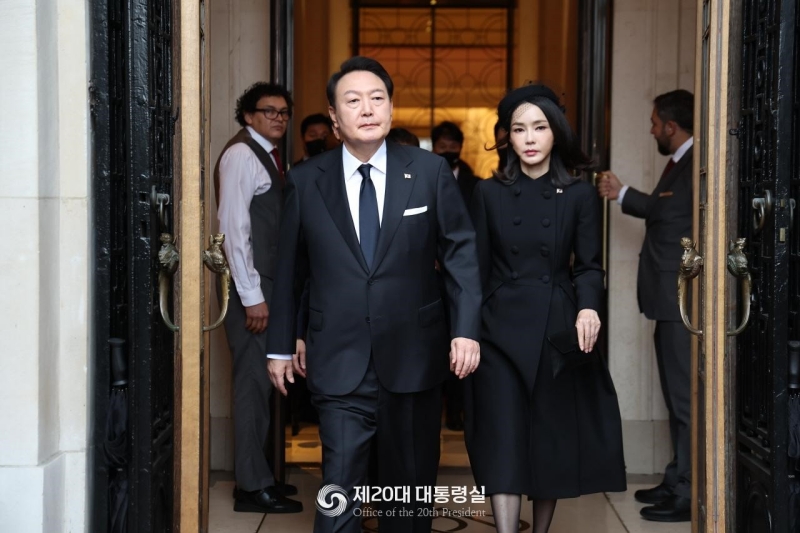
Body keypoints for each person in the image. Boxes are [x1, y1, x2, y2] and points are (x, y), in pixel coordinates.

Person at [266, 56, 482, 533]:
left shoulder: (428, 172)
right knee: (339, 495)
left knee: (406, 498)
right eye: (353, 100)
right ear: (335, 117)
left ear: (390, 107)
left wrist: (466, 331)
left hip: (414, 357)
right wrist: (282, 343)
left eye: (377, 98)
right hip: (338, 358)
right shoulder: (306, 179)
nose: (367, 108)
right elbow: (291, 270)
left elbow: (461, 256)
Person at [465, 84, 626, 533]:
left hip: (556, 329)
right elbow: (472, 272)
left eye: (539, 127)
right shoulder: (486, 193)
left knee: (548, 437)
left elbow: (590, 267)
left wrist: (588, 309)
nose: (530, 137)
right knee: (503, 436)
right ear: (508, 138)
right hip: (496, 329)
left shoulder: (578, 195)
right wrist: (465, 331)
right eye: (519, 129)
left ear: (556, 132)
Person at [597, 89, 694, 523]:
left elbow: (666, 216)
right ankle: (677, 478)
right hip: (668, 302)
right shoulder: (679, 164)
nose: (652, 129)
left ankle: (689, 491)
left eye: (656, 122)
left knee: (684, 401)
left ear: (672, 127)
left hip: (682, 303)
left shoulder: (694, 166)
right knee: (676, 400)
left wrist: (622, 194)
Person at [214, 81, 303, 514]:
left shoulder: (265, 155)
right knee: (251, 385)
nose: (279, 118)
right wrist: (251, 296)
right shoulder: (240, 155)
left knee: (264, 383)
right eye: (269, 111)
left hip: (266, 285)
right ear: (248, 116)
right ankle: (250, 488)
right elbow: (233, 231)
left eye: (284, 112)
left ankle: (261, 476)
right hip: (252, 288)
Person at [431, 120, 480, 205]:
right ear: (434, 148)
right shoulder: (423, 181)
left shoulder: (476, 185)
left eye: (453, 147)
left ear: (460, 148)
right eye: (442, 147)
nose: (448, 150)